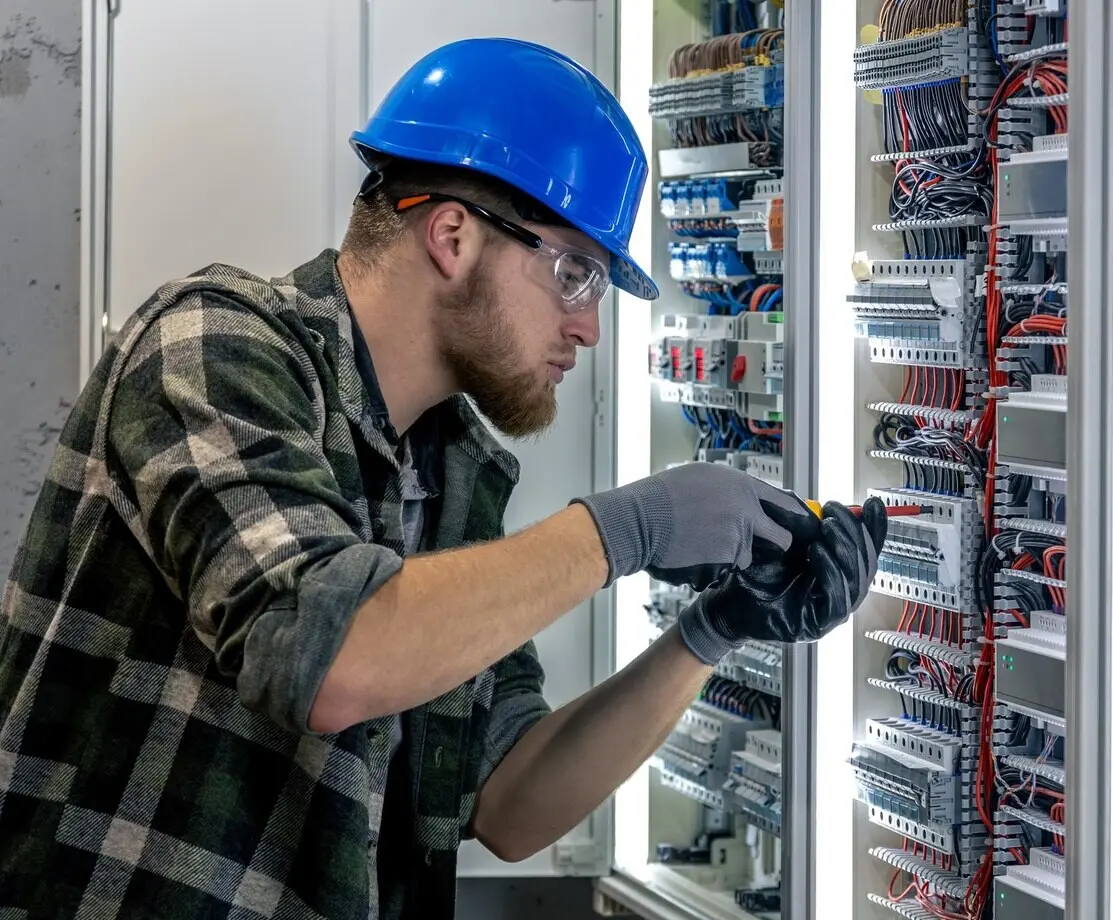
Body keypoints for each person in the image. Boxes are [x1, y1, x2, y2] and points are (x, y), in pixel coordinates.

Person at [0, 36, 887, 920]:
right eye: (575, 273)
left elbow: (510, 804)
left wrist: (708, 633)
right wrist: (632, 528)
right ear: (453, 235)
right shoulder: (212, 347)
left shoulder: (446, 468)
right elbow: (328, 656)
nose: (589, 330)